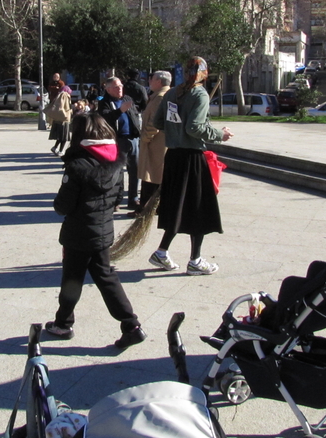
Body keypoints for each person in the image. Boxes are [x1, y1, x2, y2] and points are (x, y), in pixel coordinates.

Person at [44, 112, 146, 349]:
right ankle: (131, 325)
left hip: (78, 232)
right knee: (106, 276)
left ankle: (63, 324)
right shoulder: (116, 160)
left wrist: (59, 203)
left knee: (72, 278)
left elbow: (63, 206)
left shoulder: (77, 164)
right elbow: (117, 198)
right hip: (102, 230)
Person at [149, 57, 233, 275]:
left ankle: (162, 252)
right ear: (205, 73)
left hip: (174, 157)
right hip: (192, 158)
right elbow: (195, 127)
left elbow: (158, 122)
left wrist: (175, 129)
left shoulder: (172, 93)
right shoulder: (199, 94)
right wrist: (219, 134)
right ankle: (195, 260)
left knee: (177, 206)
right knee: (198, 208)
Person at [98, 77, 142, 211]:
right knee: (117, 172)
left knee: (135, 171)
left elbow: (134, 116)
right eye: (116, 87)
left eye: (121, 86)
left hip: (132, 139)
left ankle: (133, 199)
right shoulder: (105, 102)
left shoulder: (127, 99)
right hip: (117, 141)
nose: (120, 89)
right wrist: (120, 110)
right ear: (108, 88)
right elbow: (105, 118)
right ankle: (117, 200)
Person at [136, 71, 172, 212]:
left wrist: (145, 137)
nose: (149, 82)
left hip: (156, 144)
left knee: (152, 176)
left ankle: (147, 208)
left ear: (159, 82)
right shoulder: (160, 96)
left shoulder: (161, 97)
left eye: (152, 79)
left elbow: (154, 123)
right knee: (152, 176)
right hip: (156, 143)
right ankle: (148, 206)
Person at [48, 81, 72, 156]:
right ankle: (61, 151)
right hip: (64, 119)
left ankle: (55, 147)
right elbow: (63, 107)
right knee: (64, 136)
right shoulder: (64, 95)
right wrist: (67, 113)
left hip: (59, 119)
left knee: (61, 136)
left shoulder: (59, 95)